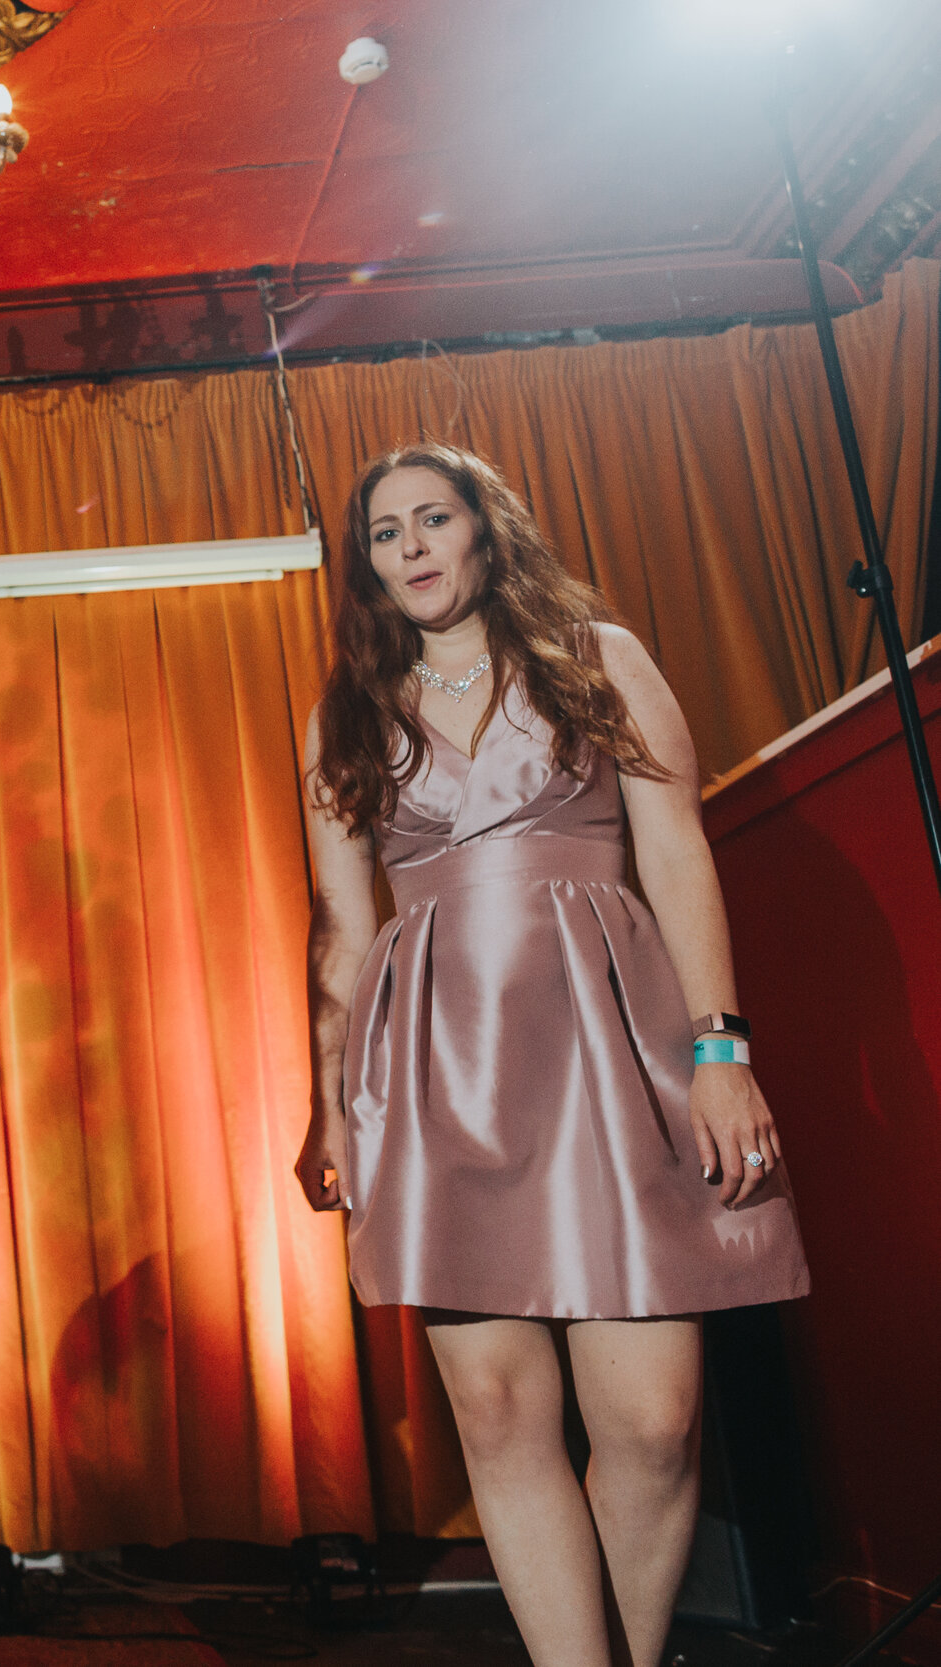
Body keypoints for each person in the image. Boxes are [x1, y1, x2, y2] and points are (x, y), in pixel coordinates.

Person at [295, 442, 810, 1667]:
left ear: (487, 530)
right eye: (384, 532)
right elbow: (341, 929)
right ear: (366, 565)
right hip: (435, 1074)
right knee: (498, 1409)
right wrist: (330, 1106)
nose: (411, 547)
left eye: (434, 518)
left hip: (612, 1057)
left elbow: (676, 848)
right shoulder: (344, 709)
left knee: (654, 1418)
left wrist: (721, 1046)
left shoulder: (598, 658)